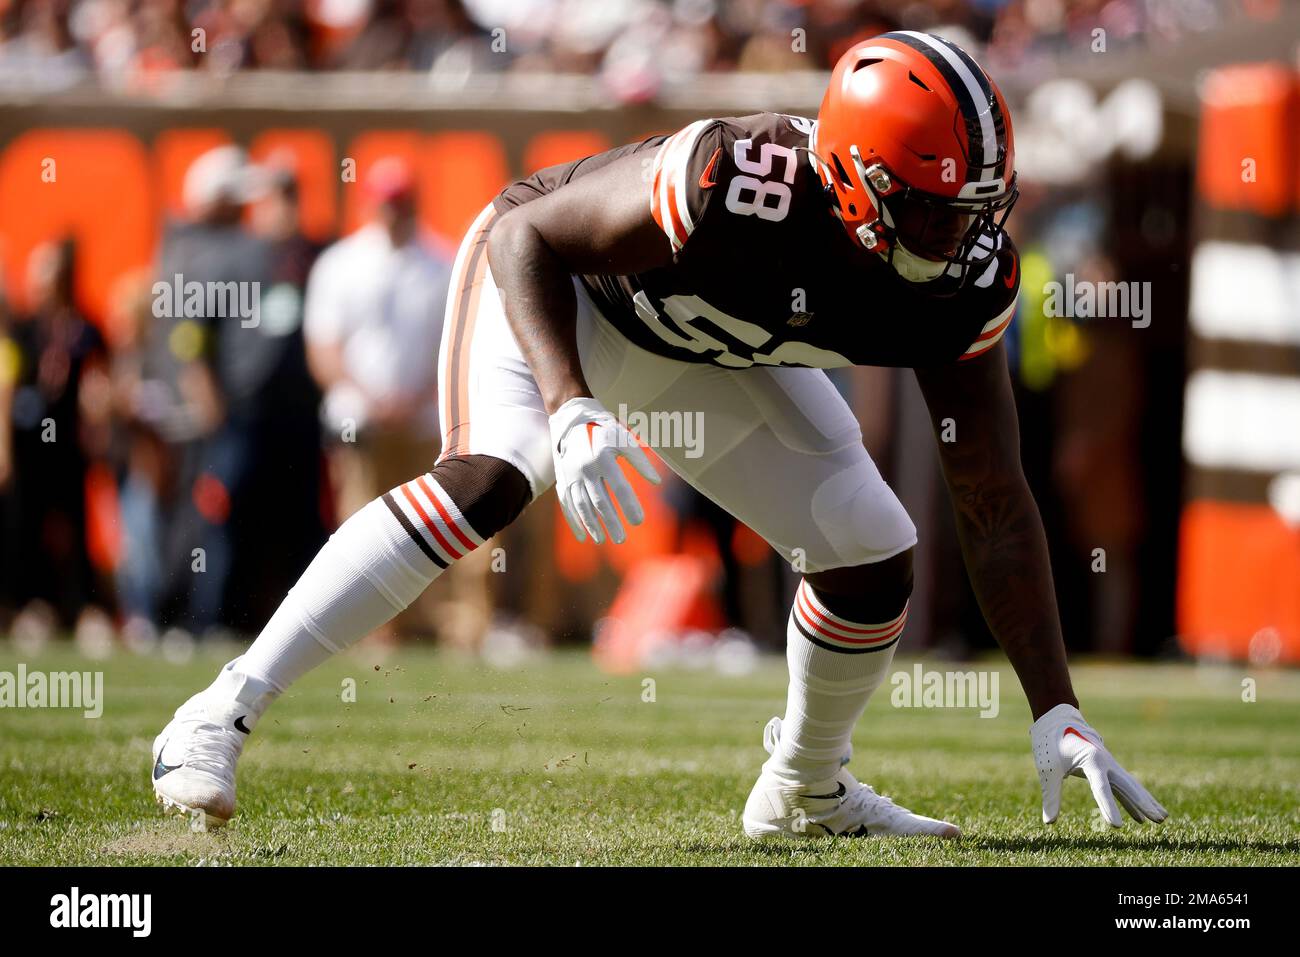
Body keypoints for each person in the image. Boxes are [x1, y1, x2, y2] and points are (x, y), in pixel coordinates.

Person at [151, 31, 1167, 838]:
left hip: (704, 354)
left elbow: (991, 496)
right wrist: (568, 402)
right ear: (857, 187)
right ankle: (218, 711)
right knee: (498, 476)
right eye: (942, 214)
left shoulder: (960, 283)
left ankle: (806, 791)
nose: (969, 240)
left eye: (979, 210)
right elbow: (525, 236)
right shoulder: (744, 179)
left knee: (868, 546)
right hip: (559, 299)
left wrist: (1052, 707)